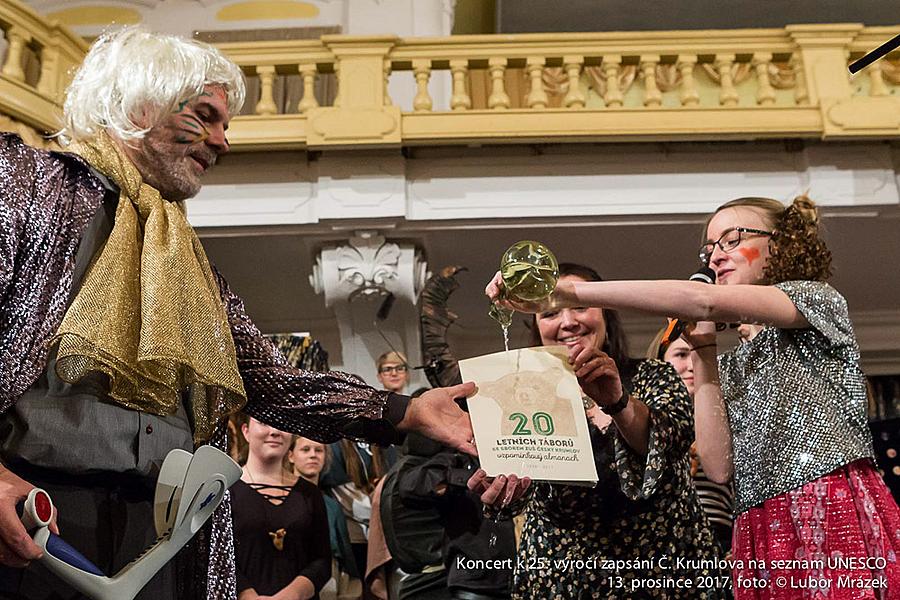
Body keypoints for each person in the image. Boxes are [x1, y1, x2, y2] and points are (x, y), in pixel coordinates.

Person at [0, 27, 477, 600]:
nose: (222, 142)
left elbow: (274, 383)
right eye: (204, 115)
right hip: (32, 516)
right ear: (138, 102)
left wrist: (404, 409)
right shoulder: (25, 186)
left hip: (159, 537)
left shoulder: (183, 257)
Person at [486, 197, 900, 596]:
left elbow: (703, 299)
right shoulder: (735, 362)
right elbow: (719, 467)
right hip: (758, 523)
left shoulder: (816, 299)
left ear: (782, 244)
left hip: (825, 502)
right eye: (710, 247)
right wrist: (704, 351)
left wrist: (562, 294)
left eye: (732, 239)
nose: (715, 257)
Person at [474, 262, 725, 599]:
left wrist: (618, 402)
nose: (567, 322)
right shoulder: (523, 395)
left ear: (605, 314)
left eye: (580, 306)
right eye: (549, 313)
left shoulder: (654, 375)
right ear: (536, 327)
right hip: (563, 578)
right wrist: (502, 492)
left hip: (663, 568)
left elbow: (670, 444)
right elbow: (525, 495)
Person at [647, 330, 734, 558]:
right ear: (659, 362)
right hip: (663, 540)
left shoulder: (728, 419)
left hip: (720, 539)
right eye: (681, 355)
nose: (692, 365)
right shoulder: (641, 422)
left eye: (696, 356)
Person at [232, 418, 330, 600]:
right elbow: (217, 556)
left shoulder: (310, 494)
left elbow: (322, 561)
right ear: (246, 431)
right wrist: (246, 595)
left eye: (281, 423)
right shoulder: (227, 491)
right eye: (263, 423)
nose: (275, 431)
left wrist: (291, 595)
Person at [287, 436, 362, 599]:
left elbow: (345, 557)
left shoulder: (332, 505)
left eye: (319, 450)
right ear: (291, 455)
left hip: (330, 580)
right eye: (305, 449)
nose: (313, 455)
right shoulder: (281, 498)